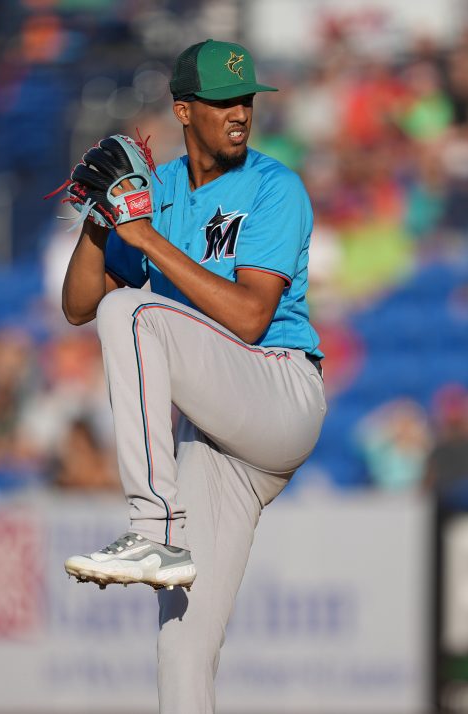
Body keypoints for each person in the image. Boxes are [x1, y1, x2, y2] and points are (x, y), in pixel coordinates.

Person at [58, 39, 326, 713]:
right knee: (182, 645)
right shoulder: (163, 189)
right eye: (221, 101)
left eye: (245, 99)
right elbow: (76, 306)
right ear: (184, 109)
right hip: (212, 441)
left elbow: (249, 316)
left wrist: (143, 238)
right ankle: (163, 535)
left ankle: (155, 527)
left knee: (136, 313)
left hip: (277, 390)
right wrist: (99, 221)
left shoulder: (273, 185)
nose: (239, 111)